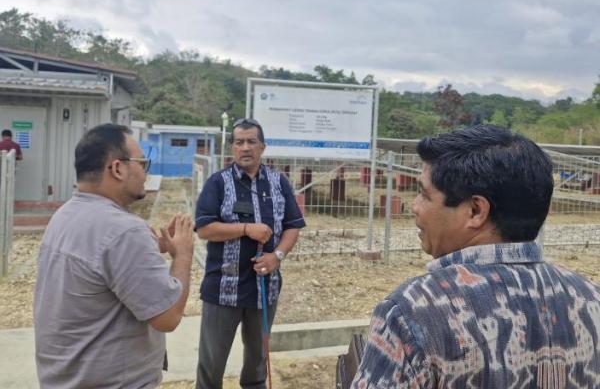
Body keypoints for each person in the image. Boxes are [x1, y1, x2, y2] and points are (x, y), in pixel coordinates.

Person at [352, 125, 600, 388]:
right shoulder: (591, 299)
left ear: (475, 210)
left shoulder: (412, 312)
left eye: (425, 194)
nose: (414, 206)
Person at [34, 123, 194, 388]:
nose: (145, 173)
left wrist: (148, 252)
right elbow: (168, 317)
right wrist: (184, 254)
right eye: (143, 163)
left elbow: (99, 273)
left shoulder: (65, 215)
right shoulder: (124, 231)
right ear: (118, 168)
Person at [194, 118, 305, 389]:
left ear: (262, 147)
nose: (245, 147)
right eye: (239, 142)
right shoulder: (217, 183)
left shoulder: (279, 183)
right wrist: (245, 228)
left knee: (257, 365)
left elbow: (293, 227)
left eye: (251, 142)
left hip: (264, 289)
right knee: (212, 366)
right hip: (223, 289)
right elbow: (204, 229)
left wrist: (276, 256)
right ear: (232, 148)